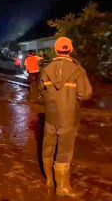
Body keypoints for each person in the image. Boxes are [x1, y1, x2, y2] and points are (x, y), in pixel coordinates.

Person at [39, 37, 92, 198]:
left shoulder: (46, 69)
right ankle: (62, 187)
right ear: (70, 50)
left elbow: (41, 91)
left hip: (50, 117)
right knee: (64, 152)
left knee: (47, 148)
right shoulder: (78, 70)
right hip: (68, 118)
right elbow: (85, 94)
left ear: (56, 50)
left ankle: (49, 180)